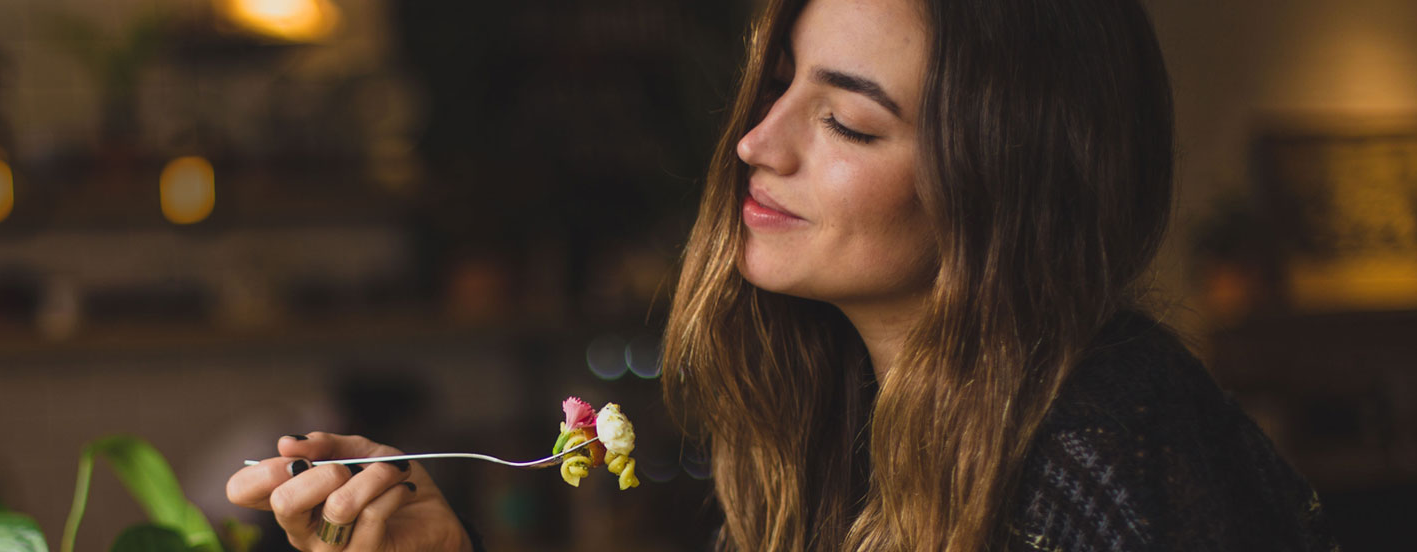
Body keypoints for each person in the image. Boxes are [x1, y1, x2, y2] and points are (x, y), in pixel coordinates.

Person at [226, 0, 1336, 550]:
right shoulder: (850, 426)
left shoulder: (1098, 450)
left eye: (849, 123)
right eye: (782, 85)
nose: (759, 141)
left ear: (1005, 192)